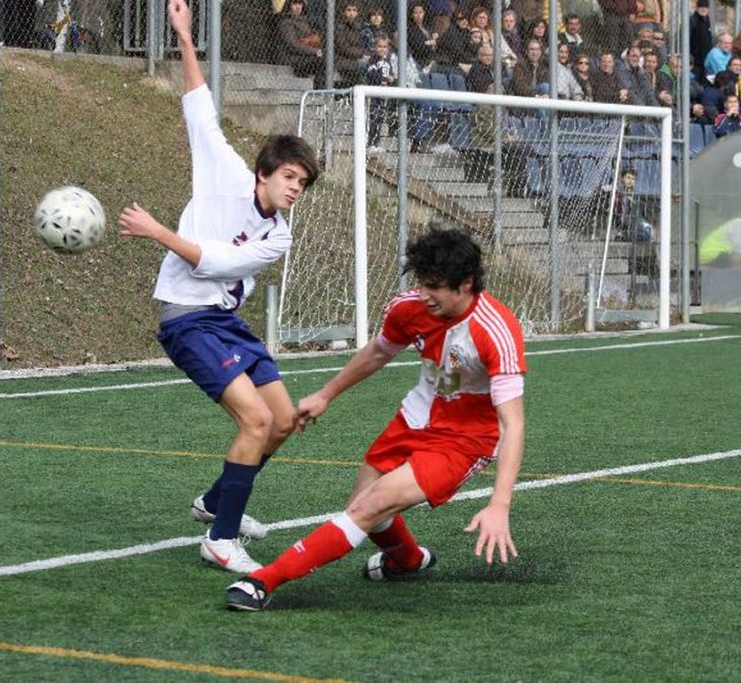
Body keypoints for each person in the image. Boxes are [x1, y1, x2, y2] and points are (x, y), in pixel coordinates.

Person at [224, 227, 528, 611]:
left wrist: (499, 504)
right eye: (421, 284)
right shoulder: (409, 307)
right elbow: (377, 353)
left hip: (464, 441)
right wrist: (325, 394)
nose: (423, 295)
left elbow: (512, 423)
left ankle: (262, 581)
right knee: (364, 507)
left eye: (433, 286)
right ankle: (408, 559)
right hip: (414, 416)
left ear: (466, 284)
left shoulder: (495, 329)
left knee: (369, 508)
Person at [117, 0, 320, 575]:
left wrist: (158, 231)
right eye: (289, 177)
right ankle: (221, 539)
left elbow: (215, 262)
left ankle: (215, 502)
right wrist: (183, 33)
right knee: (254, 422)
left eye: (303, 182)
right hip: (187, 320)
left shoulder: (279, 236)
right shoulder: (226, 172)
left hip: (224, 321)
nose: (295, 189)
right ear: (264, 172)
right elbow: (199, 106)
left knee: (281, 421)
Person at [278, 0, 325, 89]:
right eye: (294, 4)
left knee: (327, 60)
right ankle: (319, 93)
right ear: (289, 5)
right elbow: (293, 45)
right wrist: (316, 51)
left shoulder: (306, 21)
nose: (298, 7)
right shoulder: (286, 23)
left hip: (308, 56)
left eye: (300, 4)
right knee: (322, 62)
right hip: (294, 59)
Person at [365, 36, 398, 154]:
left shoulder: (388, 61)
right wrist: (383, 79)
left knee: (380, 118)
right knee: (373, 118)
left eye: (384, 47)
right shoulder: (373, 59)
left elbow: (392, 75)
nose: (382, 49)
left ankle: (376, 143)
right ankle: (369, 143)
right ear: (374, 48)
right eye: (379, 46)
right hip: (374, 93)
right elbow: (371, 73)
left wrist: (392, 79)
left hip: (384, 94)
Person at [689, 0, 713, 82]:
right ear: (697, 8)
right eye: (701, 7)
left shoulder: (707, 20)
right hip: (695, 61)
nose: (703, 9)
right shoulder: (693, 21)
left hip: (705, 60)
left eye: (705, 7)